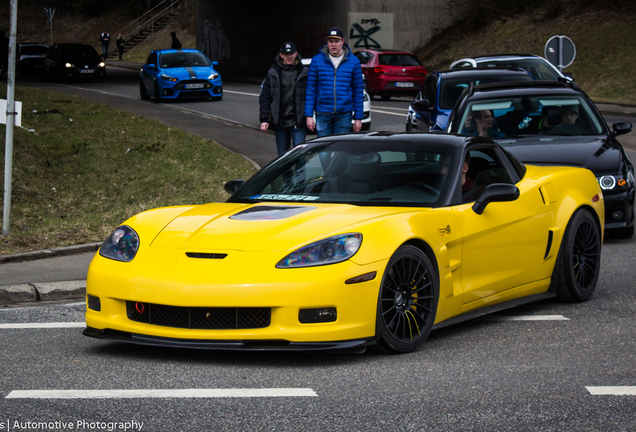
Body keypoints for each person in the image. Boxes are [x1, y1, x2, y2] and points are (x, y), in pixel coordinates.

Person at [305, 27, 364, 137]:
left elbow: (358, 90)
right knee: (323, 149)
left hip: (344, 113)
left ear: (342, 41)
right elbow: (311, 89)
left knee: (340, 149)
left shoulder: (353, 61)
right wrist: (309, 115)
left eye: (336, 41)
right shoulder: (317, 60)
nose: (333, 44)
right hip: (323, 112)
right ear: (327, 42)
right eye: (330, 41)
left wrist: (358, 118)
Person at [259, 42, 308, 156]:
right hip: (280, 122)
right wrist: (264, 119)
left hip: (298, 121)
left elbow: (311, 95)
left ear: (296, 54)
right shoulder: (273, 73)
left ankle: (300, 175)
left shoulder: (304, 73)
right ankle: (286, 175)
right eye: (286, 54)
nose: (289, 56)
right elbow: (265, 98)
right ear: (281, 55)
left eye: (291, 53)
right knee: (283, 156)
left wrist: (310, 115)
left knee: (300, 155)